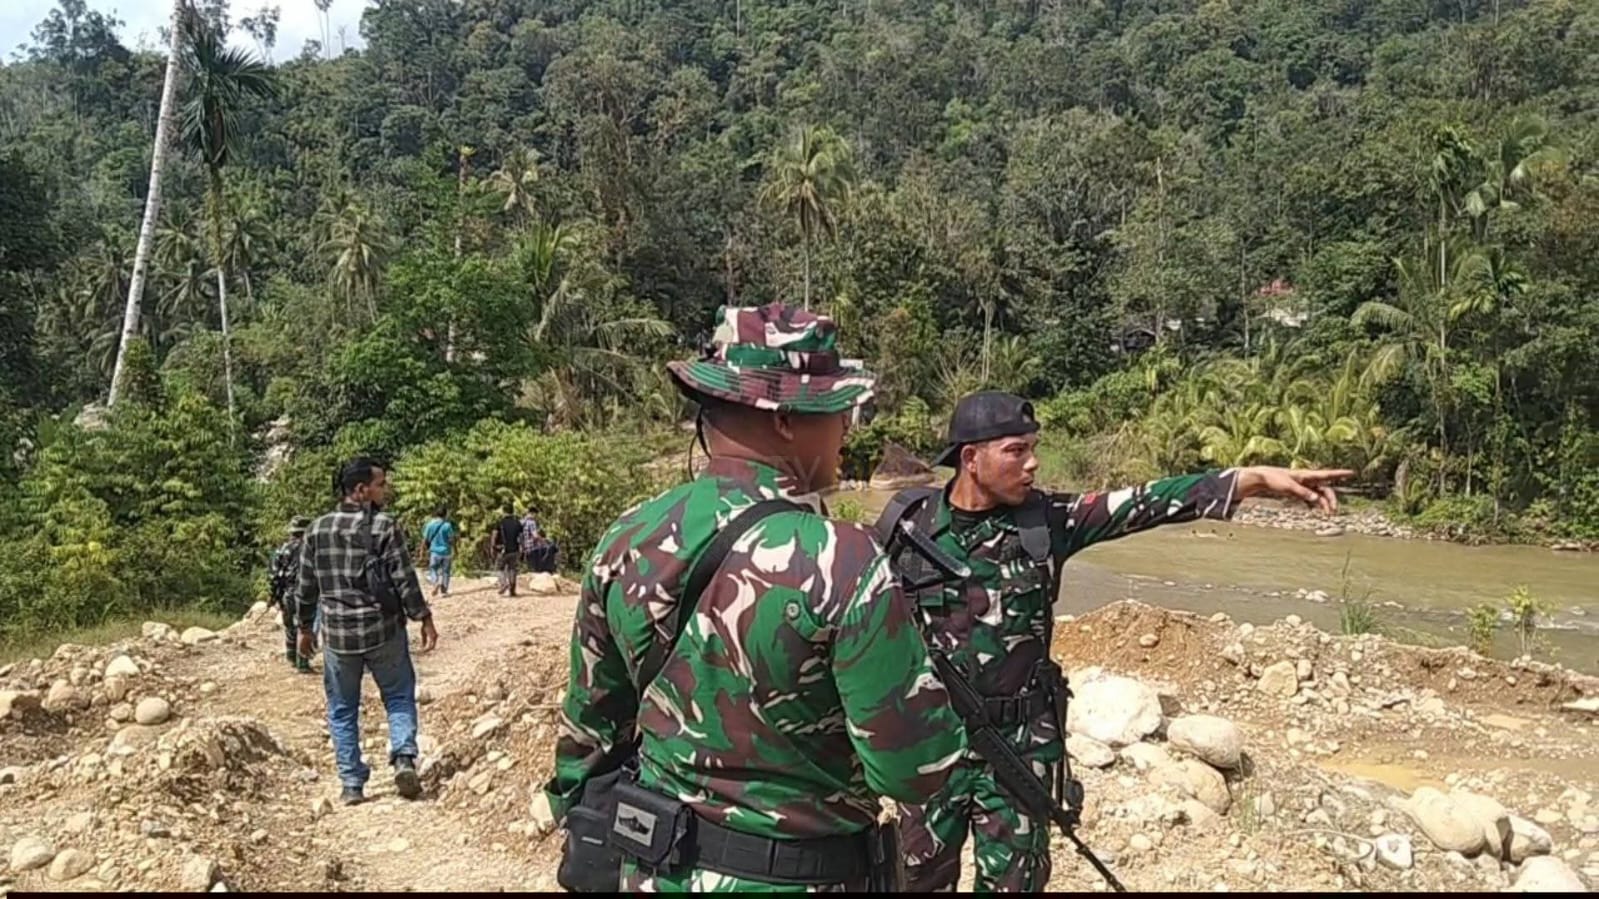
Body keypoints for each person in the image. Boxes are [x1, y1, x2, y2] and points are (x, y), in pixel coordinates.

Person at [544, 302, 968, 891]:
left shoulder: (628, 534)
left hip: (655, 872)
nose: (847, 429)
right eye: (839, 410)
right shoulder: (840, 557)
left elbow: (589, 731)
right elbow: (914, 770)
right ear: (786, 417)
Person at [880, 391, 1354, 892]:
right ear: (971, 458)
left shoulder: (1046, 522)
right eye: (1016, 451)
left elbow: (1143, 502)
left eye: (1033, 448)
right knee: (916, 881)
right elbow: (858, 633)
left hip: (1019, 750)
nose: (1033, 463)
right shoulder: (906, 527)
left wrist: (1249, 480)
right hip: (929, 745)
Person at [296, 457, 440, 806]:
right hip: (382, 630)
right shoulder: (384, 526)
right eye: (380, 485)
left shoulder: (316, 529)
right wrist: (422, 616)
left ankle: (351, 784)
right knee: (398, 695)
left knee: (342, 708)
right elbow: (403, 578)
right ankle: (403, 758)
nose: (385, 490)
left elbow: (306, 586)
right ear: (361, 490)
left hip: (338, 636)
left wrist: (303, 628)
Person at [269, 516, 313, 672]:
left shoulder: (281, 550)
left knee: (290, 626)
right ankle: (303, 662)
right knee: (305, 626)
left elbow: (274, 576)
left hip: (288, 592)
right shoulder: (311, 549)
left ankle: (291, 657)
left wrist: (274, 596)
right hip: (307, 593)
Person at [420, 504, 457, 597]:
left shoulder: (430, 525)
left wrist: (421, 551)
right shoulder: (447, 525)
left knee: (433, 569)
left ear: (436, 514)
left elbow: (424, 539)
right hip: (446, 552)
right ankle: (444, 591)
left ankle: (435, 582)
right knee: (446, 572)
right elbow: (452, 539)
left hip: (435, 553)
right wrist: (455, 550)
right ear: (445, 514)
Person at [490, 504, 522, 596]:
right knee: (512, 569)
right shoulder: (517, 523)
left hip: (502, 549)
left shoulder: (500, 523)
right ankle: (512, 590)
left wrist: (493, 547)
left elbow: (494, 535)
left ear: (504, 511)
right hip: (514, 549)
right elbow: (521, 537)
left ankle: (504, 583)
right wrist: (521, 548)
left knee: (500, 568)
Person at [519, 506, 558, 574]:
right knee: (551, 548)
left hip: (526, 548)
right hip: (533, 548)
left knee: (531, 568)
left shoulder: (522, 522)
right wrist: (544, 540)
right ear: (533, 513)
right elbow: (535, 536)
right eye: (536, 515)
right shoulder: (531, 522)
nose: (536, 517)